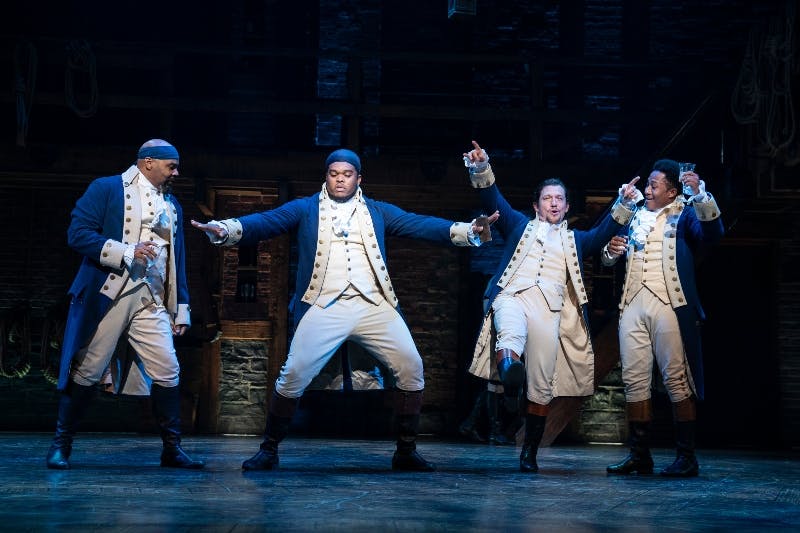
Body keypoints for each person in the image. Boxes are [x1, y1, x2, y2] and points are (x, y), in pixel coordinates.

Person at [192, 148, 497, 472]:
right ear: (327, 176)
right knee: (294, 373)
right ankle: (269, 449)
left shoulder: (377, 211)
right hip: (324, 305)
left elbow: (418, 224)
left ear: (358, 178)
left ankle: (406, 450)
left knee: (411, 367)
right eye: (334, 174)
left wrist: (468, 231)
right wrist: (227, 229)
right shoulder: (307, 209)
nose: (340, 179)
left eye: (347, 174)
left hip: (374, 304)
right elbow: (267, 221)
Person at [462, 140, 638, 472]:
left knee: (542, 382)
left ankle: (529, 452)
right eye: (547, 198)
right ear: (536, 205)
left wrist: (624, 201)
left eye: (559, 199)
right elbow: (491, 198)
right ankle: (510, 373)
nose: (553, 203)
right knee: (509, 333)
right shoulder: (518, 225)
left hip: (551, 310)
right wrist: (481, 166)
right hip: (513, 295)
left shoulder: (577, 240)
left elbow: (604, 232)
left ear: (567, 206)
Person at [46, 139, 204, 470]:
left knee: (167, 368)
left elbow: (178, 259)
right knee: (88, 369)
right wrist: (126, 251)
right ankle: (61, 445)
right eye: (171, 166)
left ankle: (171, 449)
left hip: (152, 297)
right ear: (148, 162)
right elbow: (77, 234)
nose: (176, 171)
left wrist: (182, 306)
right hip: (111, 291)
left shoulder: (172, 204)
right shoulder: (106, 188)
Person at [603, 159, 724, 477]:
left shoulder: (684, 214)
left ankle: (686, 456)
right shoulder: (632, 215)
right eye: (649, 183)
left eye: (654, 185)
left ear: (672, 191)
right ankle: (639, 454)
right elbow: (605, 251)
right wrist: (612, 251)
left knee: (675, 379)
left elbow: (713, 233)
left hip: (669, 304)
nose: (648, 188)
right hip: (632, 304)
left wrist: (700, 194)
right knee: (634, 381)